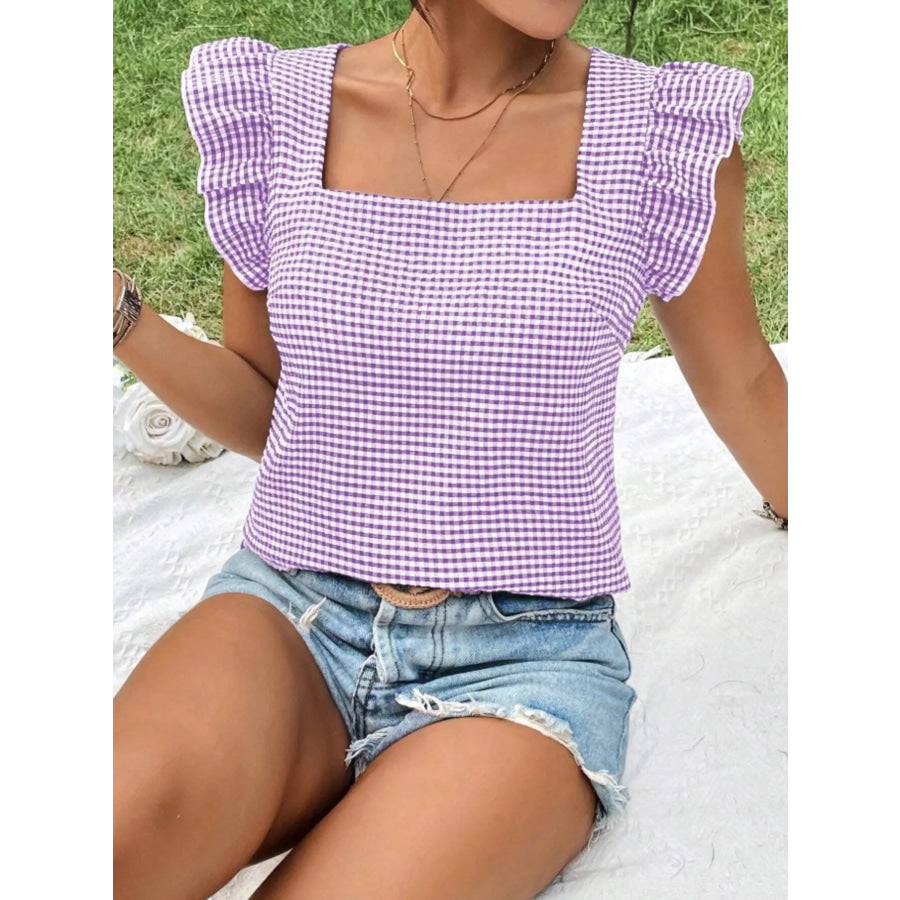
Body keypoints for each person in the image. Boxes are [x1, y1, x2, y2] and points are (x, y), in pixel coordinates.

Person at [113, 1, 788, 897]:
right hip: (291, 614)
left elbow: (746, 380)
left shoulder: (660, 137)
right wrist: (119, 316)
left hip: (525, 662)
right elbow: (275, 411)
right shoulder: (275, 109)